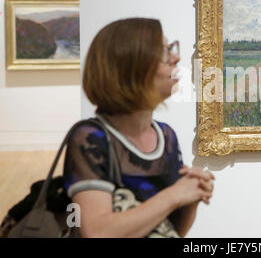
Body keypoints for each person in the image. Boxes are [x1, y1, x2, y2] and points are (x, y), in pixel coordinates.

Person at [63, 18, 214, 238]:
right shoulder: (90, 138)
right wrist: (175, 194)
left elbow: (170, 231)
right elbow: (97, 232)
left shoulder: (166, 136)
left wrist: (192, 195)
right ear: (131, 66)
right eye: (164, 52)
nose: (176, 57)